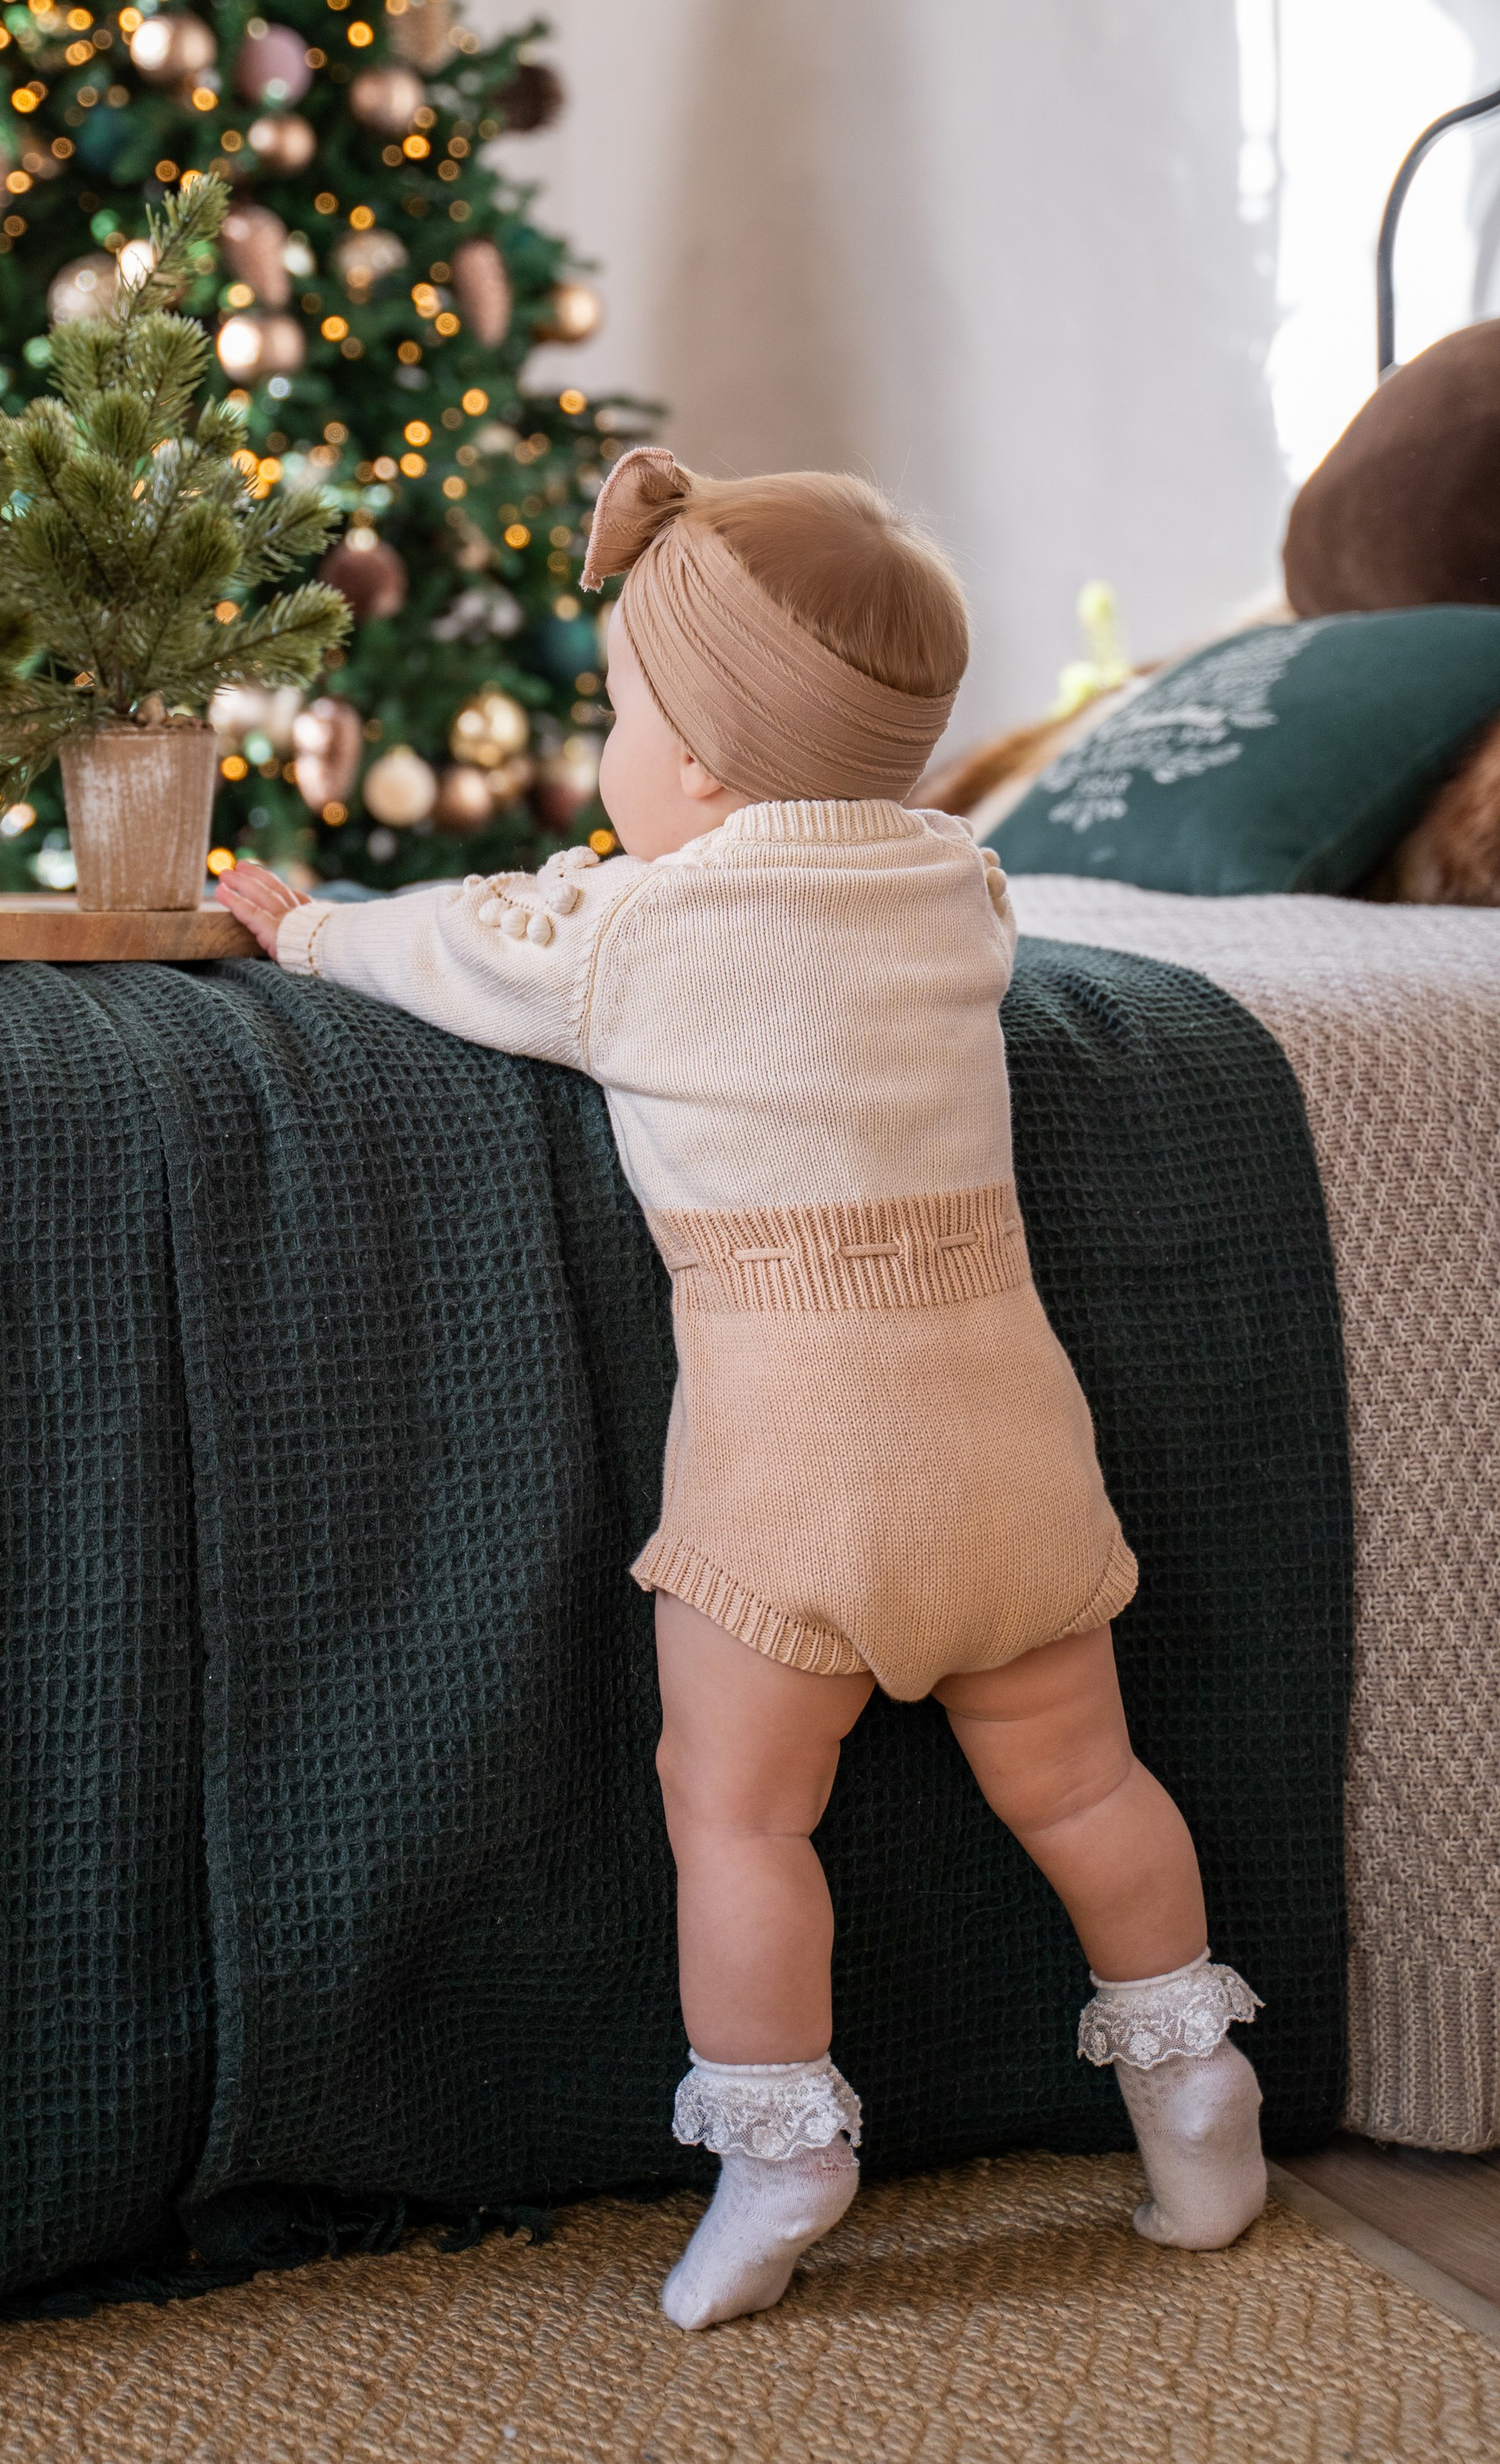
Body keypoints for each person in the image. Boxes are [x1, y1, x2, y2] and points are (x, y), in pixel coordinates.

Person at [218, 448, 1267, 2332]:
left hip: (791, 1481)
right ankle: (1189, 2076)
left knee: (733, 1810)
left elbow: (454, 942)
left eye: (619, 714)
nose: (607, 749)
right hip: (1016, 1454)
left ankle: (780, 2144)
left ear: (693, 767)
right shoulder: (959, 892)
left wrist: (299, 925)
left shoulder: (632, 937)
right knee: (1083, 1782)